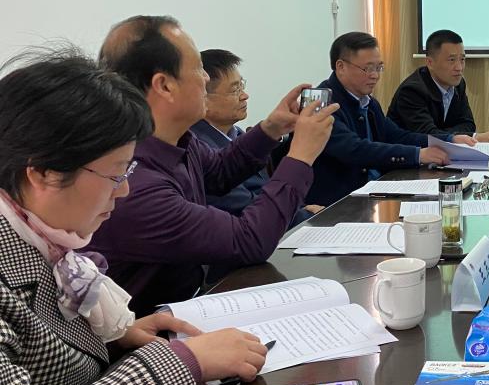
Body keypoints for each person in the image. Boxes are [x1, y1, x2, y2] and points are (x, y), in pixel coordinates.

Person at [0, 50, 267, 385]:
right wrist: (182, 363)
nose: (124, 190)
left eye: (129, 170)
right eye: (115, 174)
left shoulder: (44, 240)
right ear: (43, 172)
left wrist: (115, 337)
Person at [90, 16, 338, 316]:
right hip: (151, 330)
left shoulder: (179, 139)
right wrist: (300, 157)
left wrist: (271, 128)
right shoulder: (135, 184)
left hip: (191, 303)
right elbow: (248, 241)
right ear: (164, 85)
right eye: (198, 68)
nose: (206, 78)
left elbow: (220, 171)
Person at [308, 32, 475, 205]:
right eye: (368, 68)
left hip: (375, 192)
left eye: (378, 67)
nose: (375, 75)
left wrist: (449, 140)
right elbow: (355, 149)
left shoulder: (368, 102)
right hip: (337, 203)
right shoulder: (320, 105)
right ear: (341, 67)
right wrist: (418, 155)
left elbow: (397, 135)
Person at [190, 49, 322, 224]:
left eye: (242, 86)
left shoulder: (237, 133)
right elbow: (243, 208)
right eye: (235, 90)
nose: (245, 96)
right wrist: (305, 216)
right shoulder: (198, 148)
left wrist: (279, 130)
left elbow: (262, 190)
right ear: (204, 98)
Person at [387, 29, 489, 144]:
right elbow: (427, 135)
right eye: (451, 60)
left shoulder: (458, 84)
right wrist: (474, 137)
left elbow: (468, 124)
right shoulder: (412, 91)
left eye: (462, 59)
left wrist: (443, 133)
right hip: (406, 156)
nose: (459, 68)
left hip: (441, 153)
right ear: (430, 62)